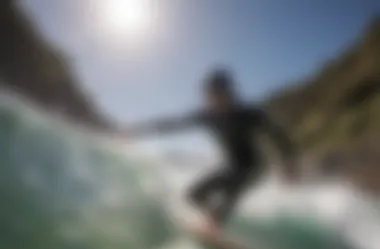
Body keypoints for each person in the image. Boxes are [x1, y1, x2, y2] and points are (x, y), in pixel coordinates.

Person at [123, 68, 297, 237]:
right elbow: (173, 124)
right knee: (192, 196)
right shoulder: (208, 116)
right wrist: (140, 130)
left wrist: (288, 164)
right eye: (211, 95)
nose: (217, 100)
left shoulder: (249, 115)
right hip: (230, 166)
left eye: (221, 93)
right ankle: (212, 224)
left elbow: (279, 136)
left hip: (253, 168)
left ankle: (215, 222)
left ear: (230, 93)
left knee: (230, 193)